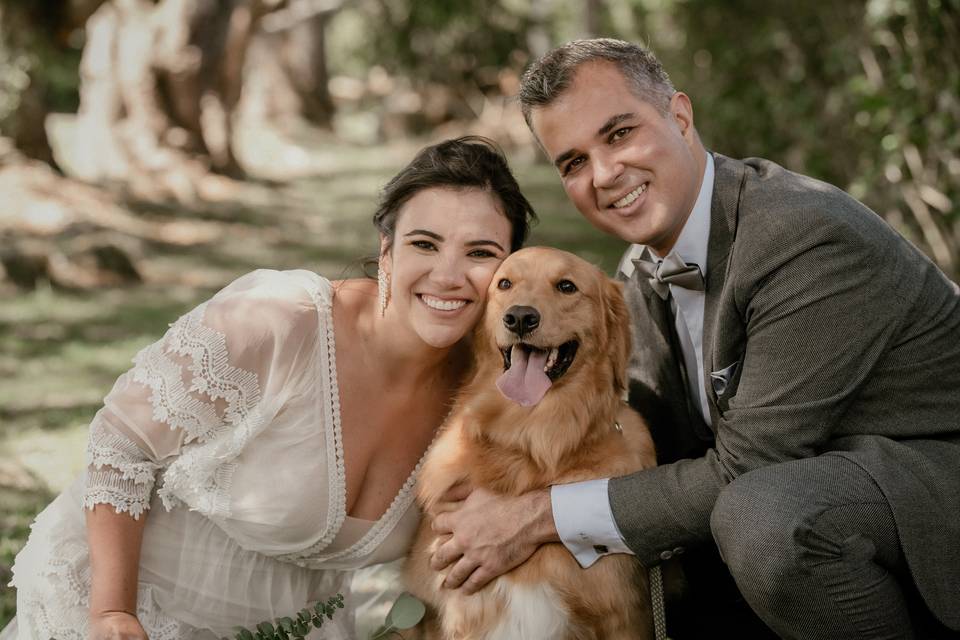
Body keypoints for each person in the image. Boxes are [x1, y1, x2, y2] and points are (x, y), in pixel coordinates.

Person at [429, 39, 960, 640]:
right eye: (573, 162)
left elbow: (749, 465)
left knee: (762, 519)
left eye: (620, 134)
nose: (603, 174)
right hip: (820, 504)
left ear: (680, 116)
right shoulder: (639, 273)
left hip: (928, 497)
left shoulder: (805, 238)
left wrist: (535, 517)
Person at [4, 136, 537, 640]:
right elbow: (120, 446)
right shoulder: (282, 319)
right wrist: (112, 610)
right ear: (387, 251)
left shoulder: (490, 392)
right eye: (425, 243)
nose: (448, 275)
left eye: (481, 253)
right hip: (119, 610)